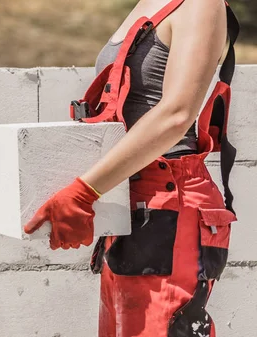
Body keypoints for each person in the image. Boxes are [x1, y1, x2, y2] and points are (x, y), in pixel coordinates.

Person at [24, 0, 239, 336]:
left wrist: (84, 191)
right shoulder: (151, 3)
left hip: (171, 203)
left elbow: (176, 114)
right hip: (133, 200)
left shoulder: (201, 4)